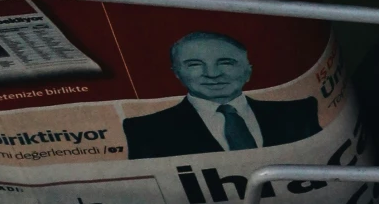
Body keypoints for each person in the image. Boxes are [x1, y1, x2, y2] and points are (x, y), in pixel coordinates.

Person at [121, 32, 321, 161]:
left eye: (226, 62)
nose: (213, 74)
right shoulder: (147, 130)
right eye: (195, 65)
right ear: (177, 73)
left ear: (248, 71)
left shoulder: (298, 113)